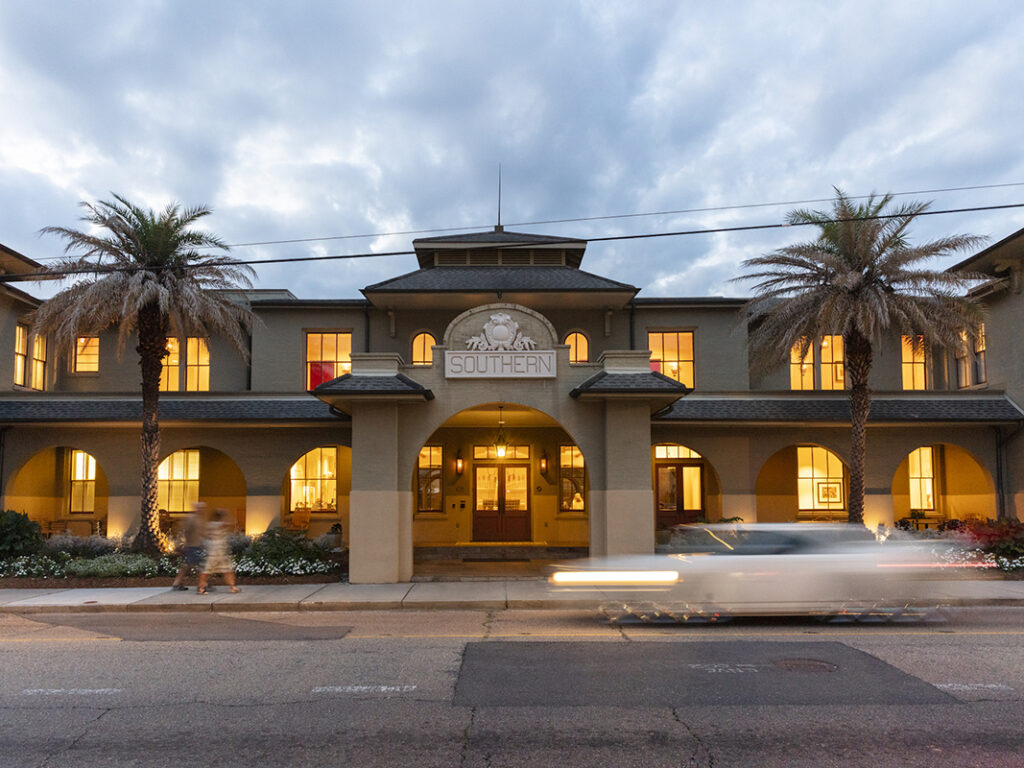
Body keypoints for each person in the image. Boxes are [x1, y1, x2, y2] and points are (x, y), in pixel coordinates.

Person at [197, 507, 240, 595]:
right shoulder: (218, 524)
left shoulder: (209, 524)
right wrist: (226, 512)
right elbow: (232, 522)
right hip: (218, 550)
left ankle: (201, 587)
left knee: (208, 570)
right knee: (226, 569)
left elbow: (205, 534)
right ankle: (232, 586)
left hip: (215, 549)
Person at [170, 502, 206, 591]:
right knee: (194, 565)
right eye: (201, 508)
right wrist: (187, 543)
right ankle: (203, 583)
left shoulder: (199, 519)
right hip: (192, 545)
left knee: (189, 565)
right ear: (196, 508)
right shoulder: (192, 519)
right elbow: (187, 531)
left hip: (197, 545)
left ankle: (177, 583)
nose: (203, 510)